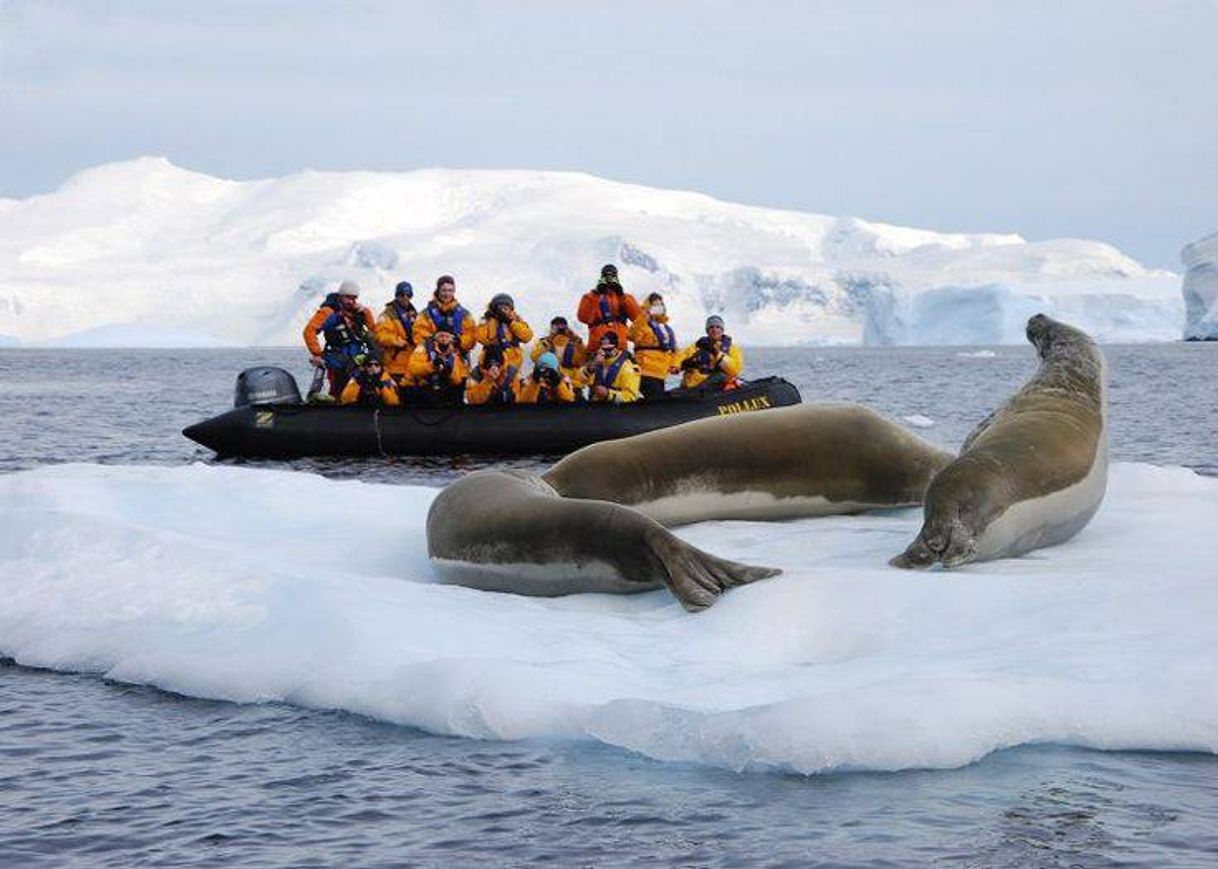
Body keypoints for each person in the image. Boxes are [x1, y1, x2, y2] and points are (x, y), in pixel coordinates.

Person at [303, 280, 379, 398]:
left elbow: (374, 332)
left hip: (356, 358)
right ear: (341, 296)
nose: (351, 301)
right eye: (348, 298)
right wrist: (317, 353)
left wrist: (366, 312)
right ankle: (335, 412)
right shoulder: (328, 312)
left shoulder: (358, 313)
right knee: (337, 389)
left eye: (354, 298)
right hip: (337, 358)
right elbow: (309, 331)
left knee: (359, 389)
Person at [577, 264, 641, 349]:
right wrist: (596, 293)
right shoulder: (591, 297)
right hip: (597, 345)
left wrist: (622, 295)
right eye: (606, 276)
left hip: (619, 345)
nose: (609, 279)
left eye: (612, 276)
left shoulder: (625, 298)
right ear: (601, 277)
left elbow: (637, 318)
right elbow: (583, 317)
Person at [628, 292, 678, 399]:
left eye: (660, 305)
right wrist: (644, 316)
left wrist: (675, 365)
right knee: (656, 400)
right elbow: (631, 335)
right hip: (646, 371)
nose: (658, 308)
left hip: (661, 373)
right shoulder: (643, 324)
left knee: (657, 400)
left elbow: (674, 350)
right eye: (654, 306)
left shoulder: (666, 328)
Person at [412, 275, 476, 359]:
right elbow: (418, 335)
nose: (447, 294)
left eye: (450, 290)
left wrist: (458, 341)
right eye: (444, 290)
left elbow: (472, 337)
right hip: (432, 360)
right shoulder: (426, 314)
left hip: (458, 361)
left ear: (454, 291)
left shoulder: (464, 314)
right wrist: (437, 341)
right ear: (438, 291)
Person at [674, 315, 743, 390]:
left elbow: (735, 370)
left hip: (713, 386)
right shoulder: (698, 346)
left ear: (722, 330)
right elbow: (681, 356)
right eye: (711, 327)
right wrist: (676, 366)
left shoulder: (732, 349)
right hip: (692, 384)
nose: (714, 330)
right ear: (707, 330)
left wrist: (719, 355)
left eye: (718, 327)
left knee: (721, 375)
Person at [475, 293, 533, 372]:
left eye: (506, 308)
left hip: (512, 362)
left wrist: (510, 322)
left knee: (513, 380)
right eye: (501, 307)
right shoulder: (488, 320)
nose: (503, 310)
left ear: (511, 309)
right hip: (492, 360)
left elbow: (527, 337)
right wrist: (489, 319)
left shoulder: (516, 320)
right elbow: (481, 338)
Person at [375, 281, 418, 385]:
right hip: (394, 365)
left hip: (412, 365)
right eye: (401, 294)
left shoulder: (415, 315)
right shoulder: (387, 314)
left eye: (408, 295)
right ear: (396, 295)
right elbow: (380, 336)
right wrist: (395, 341)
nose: (405, 297)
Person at [582, 331, 641, 403]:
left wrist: (608, 394)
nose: (603, 353)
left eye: (607, 350)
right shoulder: (596, 362)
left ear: (615, 349)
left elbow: (631, 396)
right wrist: (591, 367)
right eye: (602, 349)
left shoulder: (627, 367)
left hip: (618, 409)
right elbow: (581, 381)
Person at [531, 316, 587, 381]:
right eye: (556, 326)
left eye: (562, 326)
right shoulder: (544, 342)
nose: (559, 329)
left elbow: (583, 361)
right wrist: (550, 339)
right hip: (548, 379)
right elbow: (534, 357)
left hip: (569, 381)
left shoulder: (574, 344)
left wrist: (576, 338)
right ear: (551, 328)